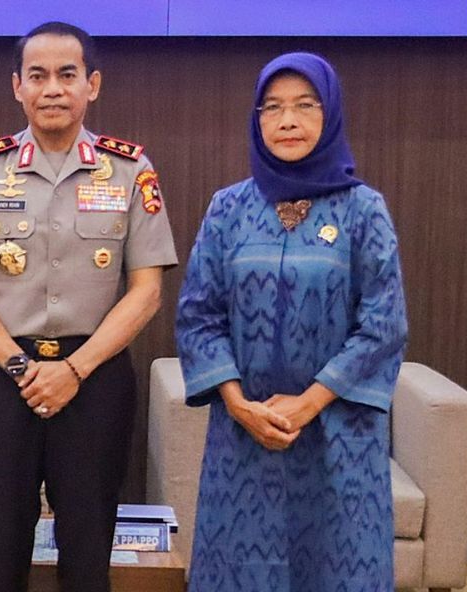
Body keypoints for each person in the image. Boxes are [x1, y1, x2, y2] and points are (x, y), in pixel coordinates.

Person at [0, 21, 178, 591]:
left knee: (88, 557)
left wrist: (74, 370)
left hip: (95, 378)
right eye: (37, 76)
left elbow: (146, 291)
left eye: (67, 74)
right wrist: (22, 368)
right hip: (2, 377)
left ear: (93, 84)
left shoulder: (130, 170)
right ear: (17, 86)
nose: (53, 89)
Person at [175, 52, 407, 591]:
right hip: (245, 437)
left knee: (338, 570)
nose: (287, 121)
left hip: (338, 438)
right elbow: (198, 315)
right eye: (272, 108)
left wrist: (309, 403)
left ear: (331, 115)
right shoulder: (228, 208)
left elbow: (383, 324)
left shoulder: (363, 209)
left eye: (305, 106)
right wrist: (238, 404)